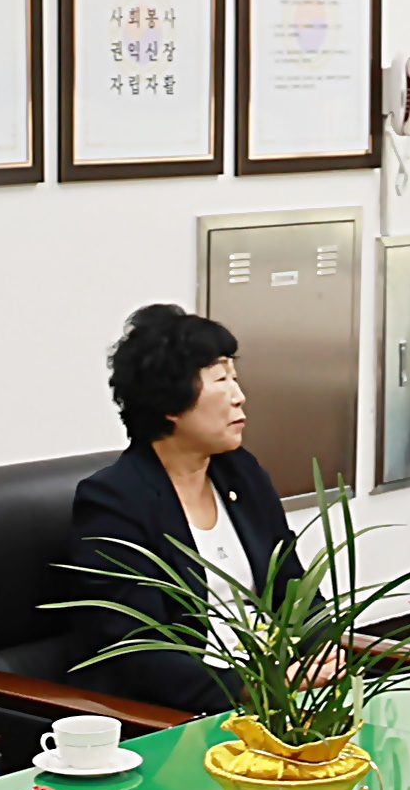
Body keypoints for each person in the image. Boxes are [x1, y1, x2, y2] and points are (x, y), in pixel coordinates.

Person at [63, 301, 301, 712]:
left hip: (277, 694)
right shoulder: (114, 501)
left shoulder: (241, 473)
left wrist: (320, 658)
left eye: (235, 377)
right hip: (189, 711)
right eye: (220, 380)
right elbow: (138, 647)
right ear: (170, 402)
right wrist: (250, 688)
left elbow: (295, 589)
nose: (239, 397)